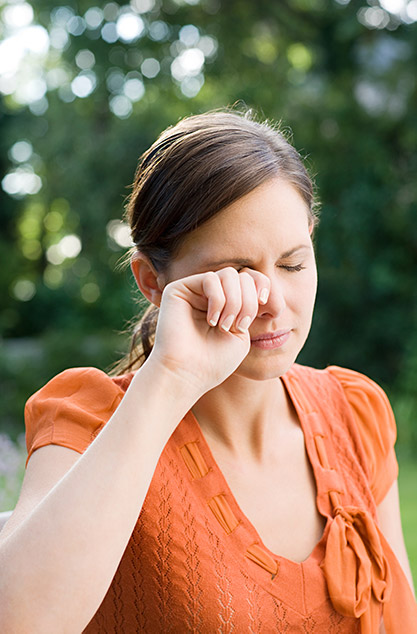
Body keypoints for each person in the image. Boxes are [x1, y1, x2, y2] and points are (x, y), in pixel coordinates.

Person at [0, 109, 416, 634]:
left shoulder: (356, 413)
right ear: (153, 281)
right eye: (234, 275)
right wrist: (170, 376)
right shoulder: (89, 419)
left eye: (292, 264)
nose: (273, 304)